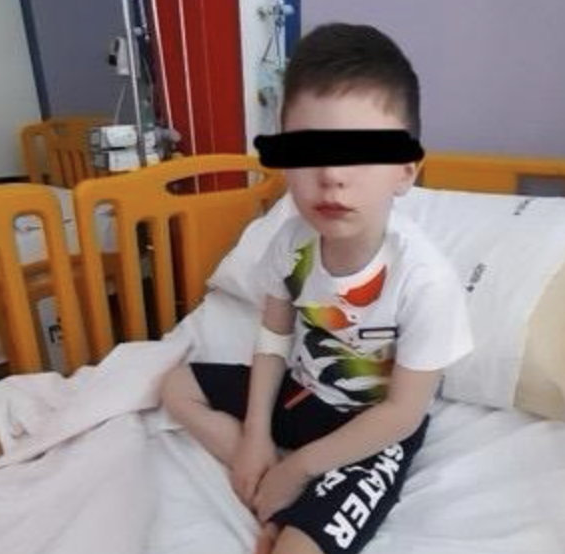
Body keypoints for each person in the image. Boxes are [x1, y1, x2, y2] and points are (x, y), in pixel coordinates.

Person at [160, 23, 473, 554]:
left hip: (371, 429)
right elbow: (273, 338)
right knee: (174, 385)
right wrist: (255, 434)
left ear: (405, 170)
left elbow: (403, 414)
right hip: (302, 394)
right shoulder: (291, 242)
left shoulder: (424, 281)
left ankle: (289, 492)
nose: (330, 175)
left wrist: (301, 468)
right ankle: (261, 470)